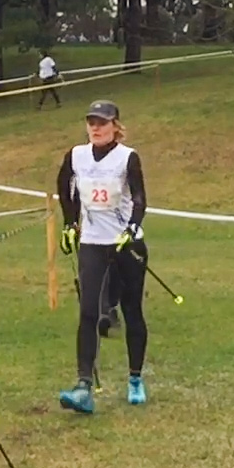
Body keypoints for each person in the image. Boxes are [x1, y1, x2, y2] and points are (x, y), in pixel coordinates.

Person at [55, 99, 150, 414]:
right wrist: (70, 222)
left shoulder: (127, 158)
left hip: (126, 244)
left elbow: (139, 198)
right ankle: (83, 386)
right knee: (88, 313)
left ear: (115, 126)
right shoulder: (77, 155)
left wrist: (132, 228)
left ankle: (135, 377)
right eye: (91, 122)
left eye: (102, 122)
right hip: (93, 243)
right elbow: (63, 184)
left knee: (131, 310)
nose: (96, 128)